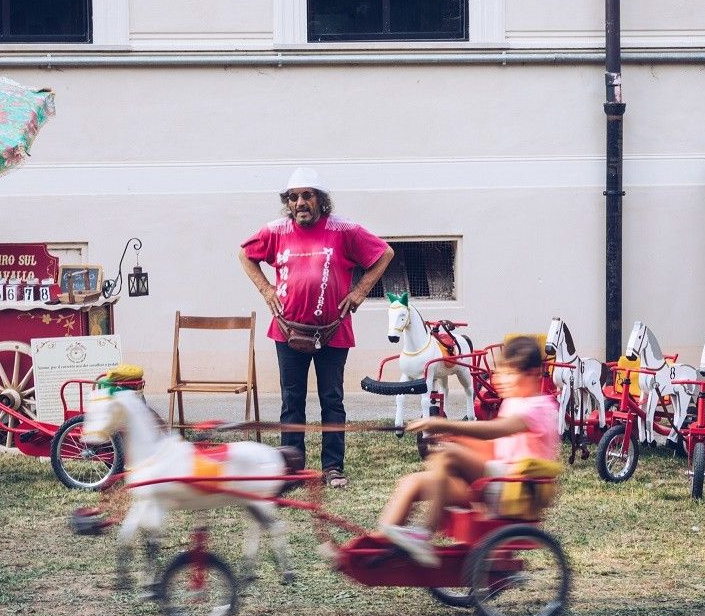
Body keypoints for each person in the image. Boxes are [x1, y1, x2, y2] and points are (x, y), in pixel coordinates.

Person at [239, 167, 394, 488]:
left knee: (332, 400)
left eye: (307, 195)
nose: (300, 203)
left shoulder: (344, 230)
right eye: (293, 197)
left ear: (320, 200)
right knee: (291, 401)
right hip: (287, 331)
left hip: (333, 331)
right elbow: (245, 254)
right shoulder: (275, 230)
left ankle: (333, 468)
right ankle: (291, 469)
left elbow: (384, 253)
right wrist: (267, 290)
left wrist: (360, 291)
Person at [377, 336, 560, 566]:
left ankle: (424, 533)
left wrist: (445, 425)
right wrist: (456, 438)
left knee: (448, 455)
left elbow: (495, 431)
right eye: (500, 372)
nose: (499, 379)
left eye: (509, 373)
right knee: (412, 483)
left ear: (533, 373)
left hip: (515, 489)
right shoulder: (513, 402)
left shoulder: (539, 407)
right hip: (494, 483)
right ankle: (376, 547)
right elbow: (494, 447)